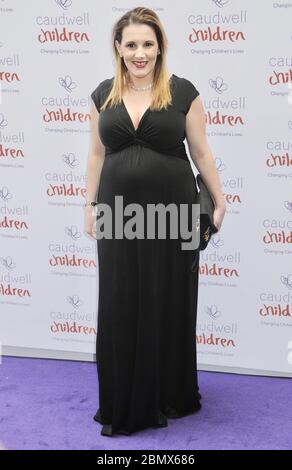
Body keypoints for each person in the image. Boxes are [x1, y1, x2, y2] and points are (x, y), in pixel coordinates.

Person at [85, 6, 226, 437]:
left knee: (169, 297)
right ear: (118, 48)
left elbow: (200, 152)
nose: (140, 52)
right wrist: (89, 205)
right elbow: (96, 154)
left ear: (160, 46)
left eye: (148, 43)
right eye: (131, 44)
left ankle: (169, 392)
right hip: (116, 212)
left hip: (173, 210)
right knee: (120, 298)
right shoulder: (102, 94)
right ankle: (124, 396)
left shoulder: (183, 92)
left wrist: (219, 199)